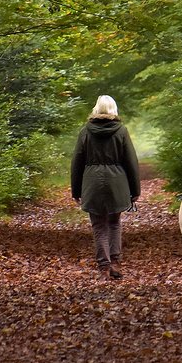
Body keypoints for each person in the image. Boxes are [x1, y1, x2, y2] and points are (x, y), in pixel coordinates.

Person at [70, 95, 141, 280]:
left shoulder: (86, 131)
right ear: (113, 110)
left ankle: (104, 265)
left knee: (99, 225)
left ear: (96, 109)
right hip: (117, 182)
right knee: (114, 222)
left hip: (92, 183)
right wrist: (135, 190)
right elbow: (131, 162)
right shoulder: (121, 131)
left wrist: (76, 190)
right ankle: (115, 261)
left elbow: (77, 161)